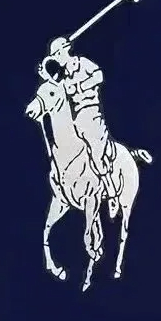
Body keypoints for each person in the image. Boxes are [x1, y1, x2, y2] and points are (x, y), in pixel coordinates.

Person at [38, 37, 119, 209]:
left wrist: (79, 87)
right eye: (54, 56)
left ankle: (111, 192)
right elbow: (55, 91)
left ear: (64, 50)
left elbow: (99, 76)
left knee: (95, 152)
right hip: (74, 118)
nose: (56, 58)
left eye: (57, 54)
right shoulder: (61, 76)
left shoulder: (81, 63)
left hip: (91, 113)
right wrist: (46, 76)